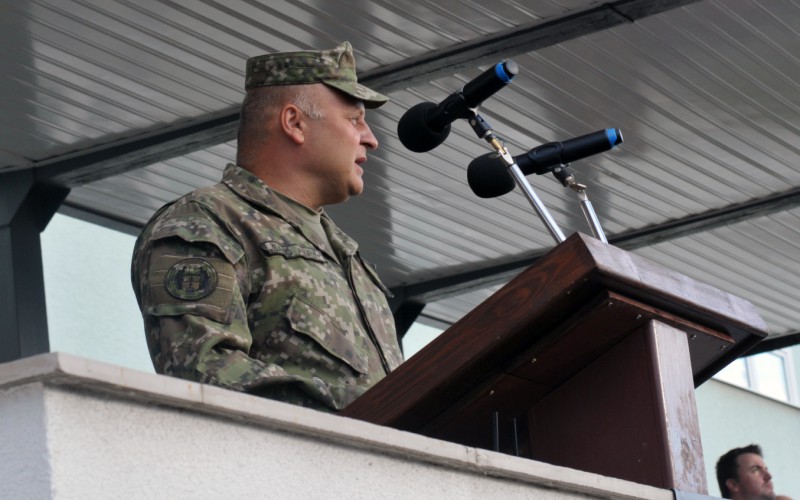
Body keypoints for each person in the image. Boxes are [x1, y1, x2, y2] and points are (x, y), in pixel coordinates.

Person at [131, 41, 404, 412]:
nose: (371, 139)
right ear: (294, 123)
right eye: (354, 120)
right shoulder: (207, 223)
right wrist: (363, 412)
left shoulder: (346, 253)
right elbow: (204, 372)